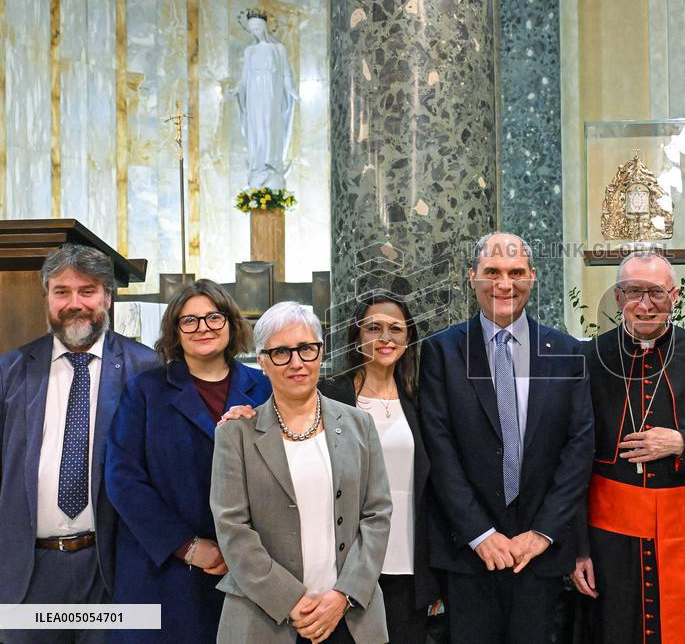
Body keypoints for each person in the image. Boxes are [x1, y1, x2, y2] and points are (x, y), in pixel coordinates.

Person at [419, 232, 594, 644]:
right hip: (468, 550)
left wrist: (544, 532)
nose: (504, 284)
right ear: (472, 278)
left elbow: (579, 446)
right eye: (492, 272)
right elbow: (439, 448)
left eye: (516, 272)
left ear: (532, 277)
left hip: (540, 550)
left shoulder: (567, 352)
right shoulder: (441, 353)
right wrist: (481, 534)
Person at [571, 250, 685, 644]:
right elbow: (570, 462)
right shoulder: (591, 359)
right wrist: (578, 549)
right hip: (608, 539)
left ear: (675, 295)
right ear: (618, 298)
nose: (646, 305)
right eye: (634, 292)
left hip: (681, 530)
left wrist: (683, 441)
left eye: (657, 294)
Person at [0, 245, 160, 644]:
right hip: (28, 576)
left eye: (87, 291)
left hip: (111, 571)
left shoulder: (147, 370)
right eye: (62, 292)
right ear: (47, 298)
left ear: (107, 296)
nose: (75, 304)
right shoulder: (11, 370)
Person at [211, 302, 391, 644]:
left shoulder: (359, 425)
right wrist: (291, 600)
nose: (296, 362)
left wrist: (343, 595)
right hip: (264, 619)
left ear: (320, 353)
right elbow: (233, 529)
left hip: (351, 617)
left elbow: (377, 515)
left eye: (306, 349)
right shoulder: (236, 434)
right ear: (262, 361)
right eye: (281, 352)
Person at [104, 280, 271, 642]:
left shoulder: (265, 389)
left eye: (214, 316)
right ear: (175, 332)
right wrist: (187, 546)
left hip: (250, 570)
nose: (203, 327)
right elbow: (123, 479)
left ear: (231, 322)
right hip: (165, 570)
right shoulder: (146, 390)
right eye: (189, 320)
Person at [318, 294, 439, 644]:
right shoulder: (329, 395)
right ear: (357, 337)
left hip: (407, 559)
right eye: (374, 328)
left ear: (408, 338)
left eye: (395, 329)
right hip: (344, 562)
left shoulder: (420, 397)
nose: (385, 337)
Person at [232, 10, 299, 189]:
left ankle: (272, 164)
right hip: (254, 95)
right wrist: (238, 89)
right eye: (251, 29)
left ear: (264, 27)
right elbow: (244, 77)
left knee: (270, 126)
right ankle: (258, 165)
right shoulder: (249, 51)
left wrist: (291, 90)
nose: (255, 32)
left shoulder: (278, 49)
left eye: (257, 28)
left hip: (271, 94)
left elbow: (286, 73)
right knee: (257, 129)